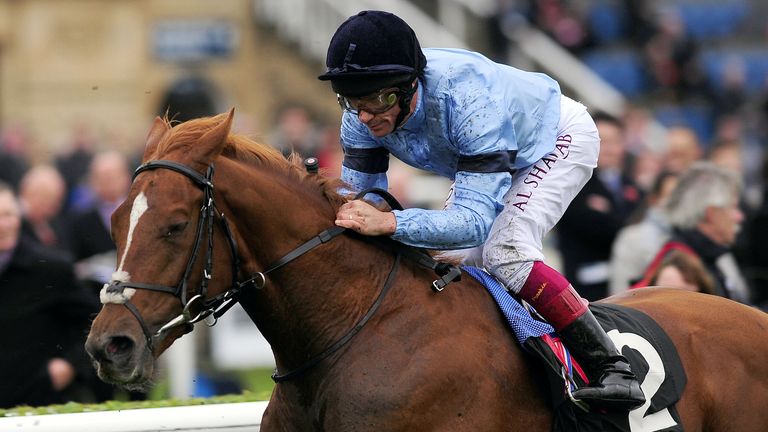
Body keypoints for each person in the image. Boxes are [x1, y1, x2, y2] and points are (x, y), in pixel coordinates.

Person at [318, 10, 644, 410]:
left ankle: (612, 367)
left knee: (506, 251)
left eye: (378, 100)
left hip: (555, 138)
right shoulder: (360, 117)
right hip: (489, 153)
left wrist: (390, 221)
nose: (365, 115)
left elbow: (473, 224)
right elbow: (359, 201)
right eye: (352, 101)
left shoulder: (466, 98)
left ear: (409, 86)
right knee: (449, 258)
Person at [0, 181, 100, 408]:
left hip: (38, 401)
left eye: (8, 215)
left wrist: (70, 365)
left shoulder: (50, 268)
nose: (3, 224)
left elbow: (95, 320)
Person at [556, 112, 643, 301]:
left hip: (630, 287)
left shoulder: (634, 187)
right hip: (586, 291)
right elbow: (593, 228)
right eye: (602, 141)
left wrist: (610, 215)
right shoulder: (573, 184)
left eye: (615, 141)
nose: (609, 149)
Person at [634, 162, 750, 302]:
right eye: (733, 207)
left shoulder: (704, 257)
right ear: (711, 213)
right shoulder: (678, 273)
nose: (739, 216)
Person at [609, 171, 679, 295]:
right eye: (670, 195)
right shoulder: (631, 237)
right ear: (654, 199)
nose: (676, 202)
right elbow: (620, 288)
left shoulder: (691, 235)